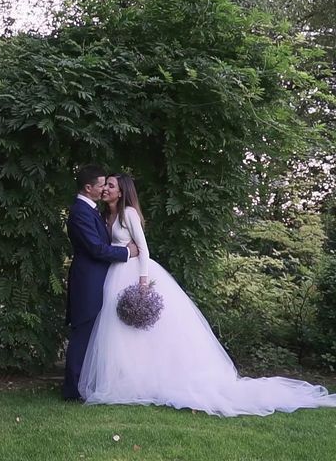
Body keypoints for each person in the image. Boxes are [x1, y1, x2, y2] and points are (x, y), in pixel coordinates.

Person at [78, 173, 336, 416]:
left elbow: (144, 249)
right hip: (114, 274)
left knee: (141, 329)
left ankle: (150, 379)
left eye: (111, 185)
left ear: (122, 192)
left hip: (133, 273)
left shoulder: (129, 214)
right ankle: (125, 378)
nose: (106, 189)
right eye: (106, 184)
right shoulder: (105, 216)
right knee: (120, 332)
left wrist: (144, 283)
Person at [63, 165, 138, 401]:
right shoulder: (80, 212)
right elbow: (95, 248)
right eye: (101, 184)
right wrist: (126, 253)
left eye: (108, 184)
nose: (105, 188)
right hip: (87, 281)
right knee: (82, 332)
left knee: (93, 334)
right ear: (89, 188)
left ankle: (87, 384)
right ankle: (73, 390)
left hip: (98, 280)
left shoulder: (93, 211)